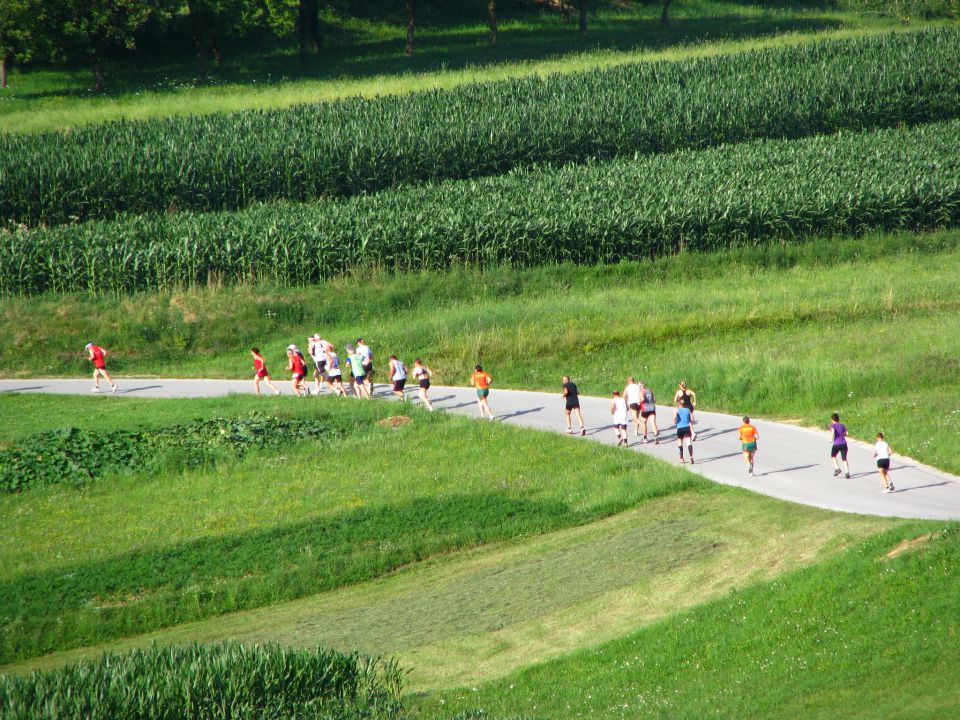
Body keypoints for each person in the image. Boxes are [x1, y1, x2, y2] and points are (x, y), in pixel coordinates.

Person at [830, 412, 851, 479]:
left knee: (833, 456)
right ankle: (847, 473)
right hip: (844, 443)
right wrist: (843, 435)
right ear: (838, 419)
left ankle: (837, 468)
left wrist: (831, 439)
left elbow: (833, 432)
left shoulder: (833, 425)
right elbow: (847, 433)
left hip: (836, 444)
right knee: (844, 459)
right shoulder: (842, 425)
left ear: (832, 420)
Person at [675, 399, 694, 464]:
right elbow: (692, 419)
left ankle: (681, 458)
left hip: (680, 428)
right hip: (687, 427)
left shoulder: (677, 410)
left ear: (678, 404)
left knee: (680, 442)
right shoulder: (688, 410)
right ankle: (691, 456)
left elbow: (674, 420)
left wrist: (676, 419)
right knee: (689, 442)